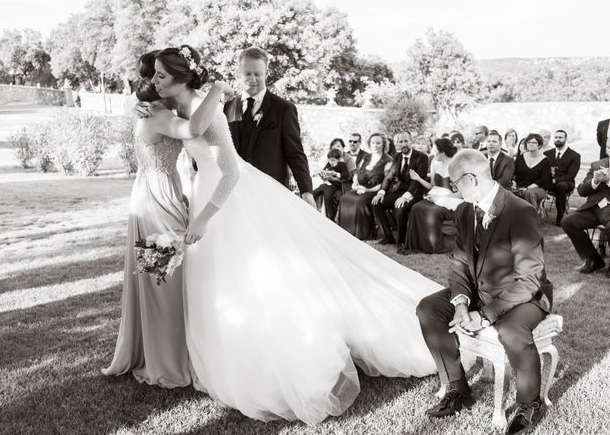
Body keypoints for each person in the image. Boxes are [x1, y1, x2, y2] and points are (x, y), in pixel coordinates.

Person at [143, 46, 443, 424]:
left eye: (160, 76)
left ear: (182, 78)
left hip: (236, 199)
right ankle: (236, 351)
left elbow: (237, 170)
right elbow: (172, 130)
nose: (153, 82)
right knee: (225, 284)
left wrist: (209, 216)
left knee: (266, 280)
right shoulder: (183, 108)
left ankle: (283, 357)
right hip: (209, 194)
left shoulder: (219, 106)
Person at [102, 48, 234, 387]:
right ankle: (169, 361)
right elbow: (193, 128)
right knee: (165, 282)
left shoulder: (147, 112)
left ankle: (157, 353)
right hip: (160, 205)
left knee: (156, 278)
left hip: (146, 199)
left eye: (160, 75)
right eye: (154, 77)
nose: (155, 82)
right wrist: (217, 91)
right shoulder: (159, 116)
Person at [416, 149, 552, 435]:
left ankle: (530, 404)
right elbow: (460, 261)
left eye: (454, 183)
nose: (452, 189)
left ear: (470, 178)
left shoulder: (520, 211)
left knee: (512, 333)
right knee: (428, 308)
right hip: (481, 290)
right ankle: (458, 389)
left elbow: (529, 280)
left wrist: (486, 315)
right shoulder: (465, 209)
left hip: (523, 295)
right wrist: (462, 302)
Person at [224, 47, 315, 208]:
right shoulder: (229, 107)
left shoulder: (284, 109)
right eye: (247, 73)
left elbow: (295, 153)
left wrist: (306, 191)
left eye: (257, 74)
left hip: (271, 194)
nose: (252, 79)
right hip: (235, 194)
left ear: (266, 72)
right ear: (239, 73)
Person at [404, 138, 462, 253]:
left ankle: (434, 246)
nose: (434, 153)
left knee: (433, 212)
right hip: (436, 196)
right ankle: (417, 244)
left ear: (443, 152)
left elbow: (461, 193)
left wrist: (441, 198)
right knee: (416, 207)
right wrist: (418, 178)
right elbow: (432, 186)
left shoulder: (457, 166)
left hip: (452, 199)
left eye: (436, 150)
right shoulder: (435, 163)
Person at [561, 140, 610, 275]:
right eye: (609, 147)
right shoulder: (597, 165)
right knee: (568, 221)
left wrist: (608, 181)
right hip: (594, 208)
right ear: (606, 149)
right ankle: (594, 260)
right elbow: (582, 191)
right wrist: (595, 181)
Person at [371, 132, 428, 245]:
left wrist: (405, 197)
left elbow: (417, 181)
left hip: (415, 193)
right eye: (400, 142)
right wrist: (381, 192)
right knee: (376, 203)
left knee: (400, 207)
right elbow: (389, 176)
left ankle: (401, 242)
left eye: (406, 141)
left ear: (411, 142)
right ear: (397, 144)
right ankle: (388, 237)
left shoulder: (421, 157)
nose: (403, 144)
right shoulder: (397, 156)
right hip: (399, 191)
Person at [338, 133, 392, 239]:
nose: (375, 145)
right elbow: (357, 173)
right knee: (345, 198)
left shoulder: (388, 160)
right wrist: (355, 184)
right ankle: (347, 231)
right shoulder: (366, 157)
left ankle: (363, 233)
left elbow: (386, 181)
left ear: (384, 145)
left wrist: (368, 190)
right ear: (369, 144)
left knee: (360, 201)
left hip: (377, 190)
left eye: (378, 143)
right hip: (361, 188)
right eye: (373, 143)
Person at [544, 130, 581, 226]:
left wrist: (555, 180)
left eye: (560, 137)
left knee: (560, 186)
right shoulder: (547, 153)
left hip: (566, 183)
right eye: (556, 137)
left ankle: (560, 216)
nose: (557, 139)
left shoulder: (575, 155)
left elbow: (571, 175)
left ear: (566, 139)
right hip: (549, 182)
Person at [513, 133, 553, 213]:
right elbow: (514, 175)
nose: (531, 144)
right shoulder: (520, 158)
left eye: (534, 143)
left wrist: (527, 188)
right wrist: (514, 184)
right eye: (529, 142)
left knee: (529, 193)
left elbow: (543, 180)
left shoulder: (545, 160)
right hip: (520, 186)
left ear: (539, 145)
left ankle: (531, 218)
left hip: (538, 188)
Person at [313, 147, 351, 220]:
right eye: (329, 160)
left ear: (338, 159)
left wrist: (336, 174)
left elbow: (346, 175)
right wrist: (322, 173)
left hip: (334, 185)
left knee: (328, 197)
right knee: (314, 193)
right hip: (327, 183)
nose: (331, 162)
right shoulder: (329, 163)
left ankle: (330, 216)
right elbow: (324, 170)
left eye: (333, 160)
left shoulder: (342, 165)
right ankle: (315, 210)